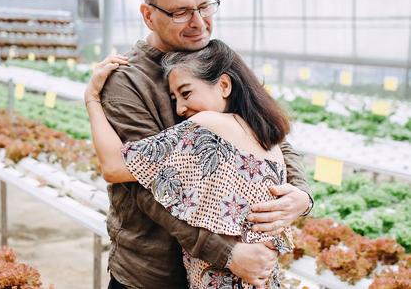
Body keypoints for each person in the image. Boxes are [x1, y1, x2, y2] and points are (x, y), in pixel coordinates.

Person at [92, 0, 313, 288]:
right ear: (148, 15)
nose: (199, 22)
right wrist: (227, 253)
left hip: (229, 271)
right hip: (155, 274)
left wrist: (300, 194)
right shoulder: (127, 81)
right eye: (181, 12)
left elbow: (265, 130)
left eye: (205, 6)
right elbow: (147, 188)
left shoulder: (212, 56)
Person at [86, 39, 297, 288]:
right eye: (174, 98)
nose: (180, 108)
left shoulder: (209, 126)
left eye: (186, 93)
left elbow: (113, 167)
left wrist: (92, 98)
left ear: (224, 85)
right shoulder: (268, 139)